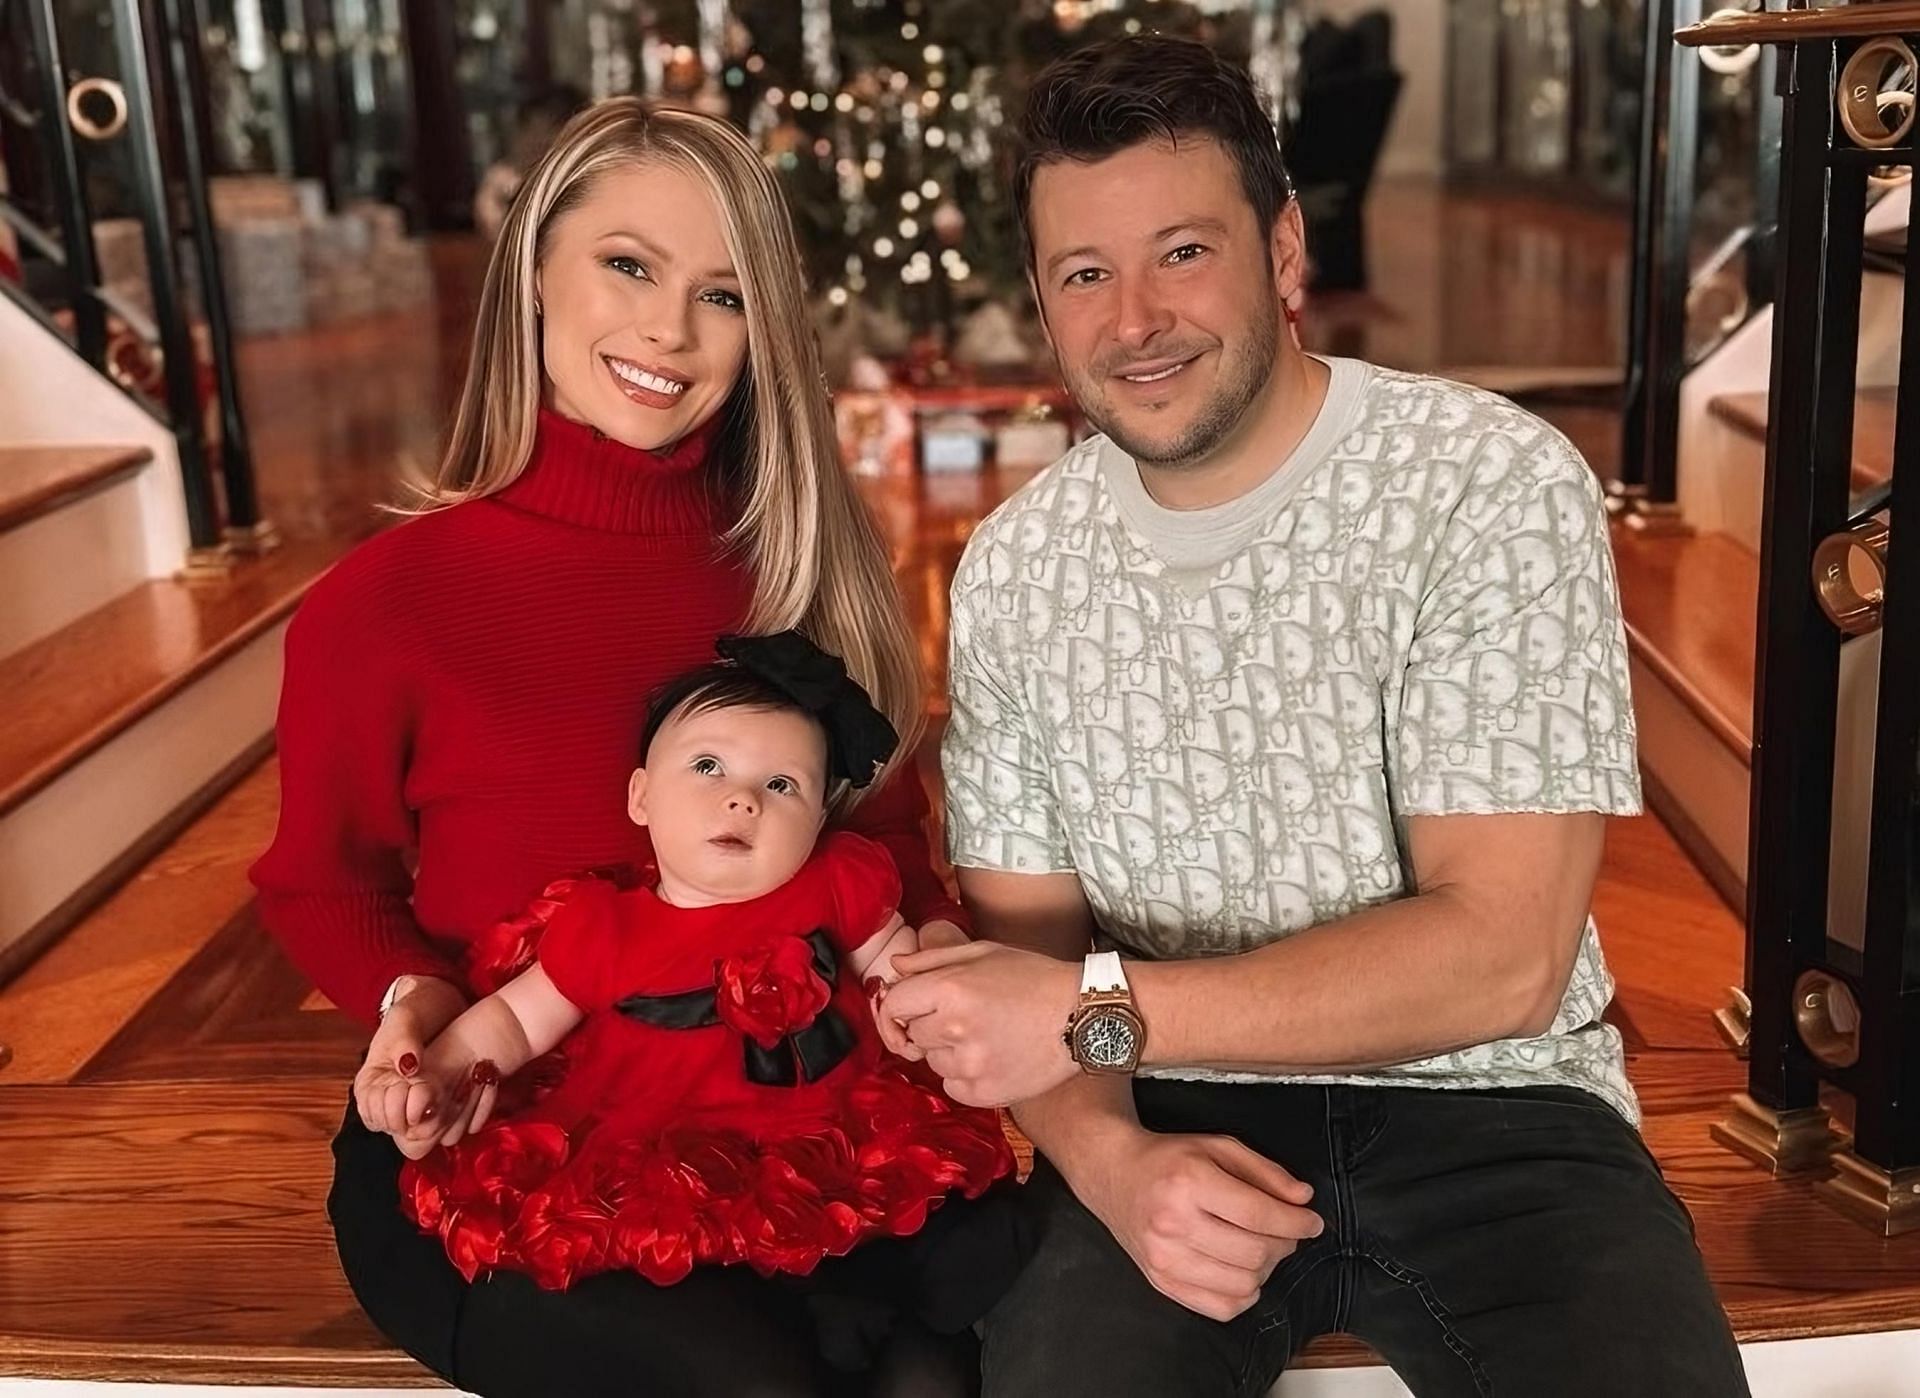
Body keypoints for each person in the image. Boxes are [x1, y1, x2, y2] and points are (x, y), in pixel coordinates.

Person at [879, 35, 1751, 1398]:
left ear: (1284, 249)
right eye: (1085, 274)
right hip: (1168, 1108)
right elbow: (1026, 975)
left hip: (1505, 1114)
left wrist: (1099, 1012)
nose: (1135, 321)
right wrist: (1113, 1163)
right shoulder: (1015, 570)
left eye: (1182, 252)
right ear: (1045, 306)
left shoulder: (1486, 482)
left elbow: (1501, 961)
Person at [251, 98, 980, 1396]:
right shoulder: (389, 601)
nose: (667, 330)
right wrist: (414, 1008)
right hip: (517, 1142)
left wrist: (919, 956)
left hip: (785, 1127)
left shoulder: (802, 573)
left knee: (941, 1361)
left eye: (722, 295)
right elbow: (324, 882)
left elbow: (881, 857)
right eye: (629, 266)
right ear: (535, 265)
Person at [390, 632, 1015, 1318]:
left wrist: (905, 998)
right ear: (641, 797)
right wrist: (443, 1065)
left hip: (827, 1132)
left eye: (782, 785)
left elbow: (892, 960)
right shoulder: (607, 928)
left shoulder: (836, 882)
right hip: (665, 1150)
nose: (743, 799)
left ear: (817, 820)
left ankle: (868, 1304)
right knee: (697, 1280)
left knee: (941, 1248)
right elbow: (514, 1019)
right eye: (709, 766)